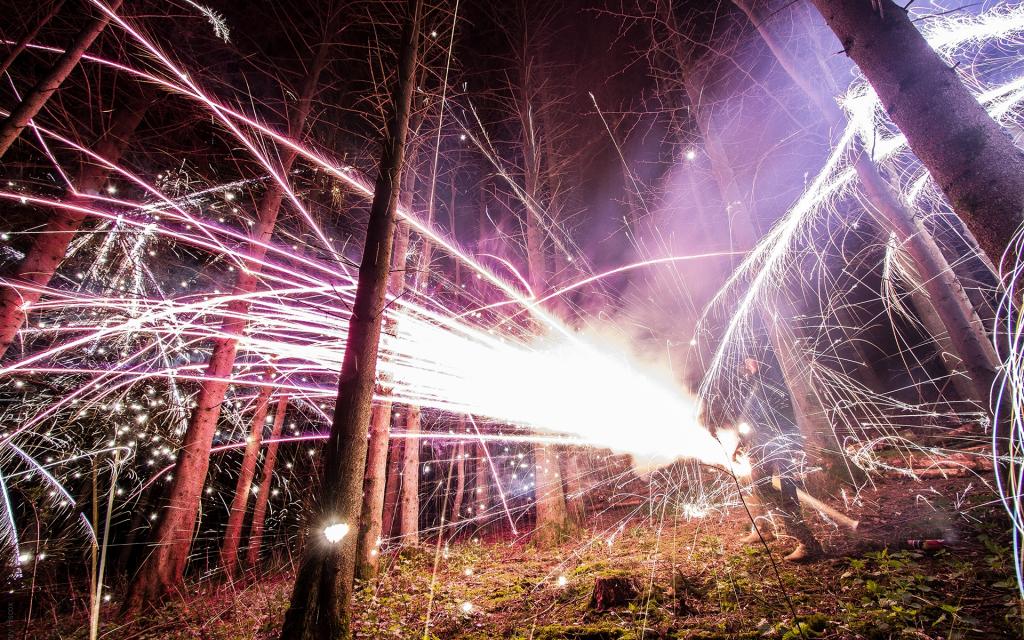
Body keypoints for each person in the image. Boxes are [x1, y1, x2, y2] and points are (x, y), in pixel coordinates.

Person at [734, 357, 823, 563]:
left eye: (751, 361)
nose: (746, 365)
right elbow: (749, 417)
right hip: (760, 447)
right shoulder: (756, 383)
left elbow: (777, 415)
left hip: (778, 447)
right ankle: (762, 529)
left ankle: (808, 544)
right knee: (754, 486)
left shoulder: (773, 381)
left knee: (786, 494)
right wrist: (741, 442)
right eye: (746, 362)